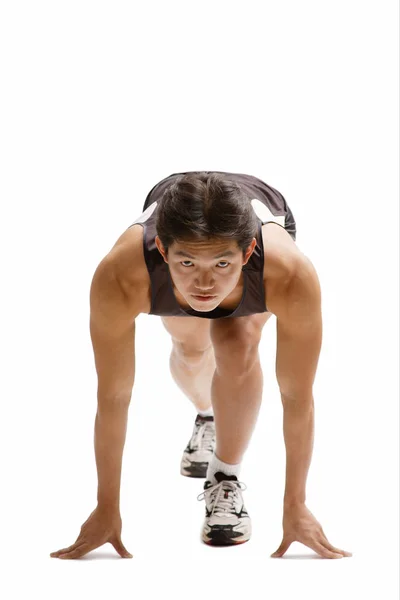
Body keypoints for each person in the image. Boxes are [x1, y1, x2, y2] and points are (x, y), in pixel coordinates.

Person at [50, 171, 352, 559]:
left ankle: (224, 476)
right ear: (162, 249)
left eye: (222, 264)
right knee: (191, 348)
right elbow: (113, 395)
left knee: (235, 341)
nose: (204, 283)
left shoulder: (290, 273)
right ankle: (208, 415)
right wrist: (106, 507)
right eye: (188, 263)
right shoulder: (120, 276)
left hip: (263, 215)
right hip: (173, 238)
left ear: (245, 254)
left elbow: (297, 396)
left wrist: (296, 505)